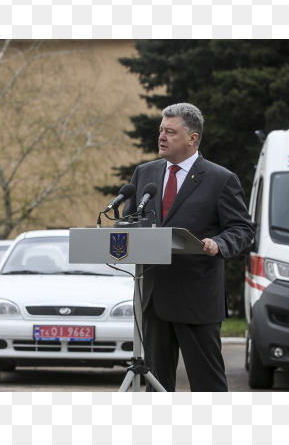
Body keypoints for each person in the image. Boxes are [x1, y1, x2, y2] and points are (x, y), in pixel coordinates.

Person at [121, 103, 254, 392]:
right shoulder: (145, 174)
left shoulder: (220, 179)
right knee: (157, 385)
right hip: (154, 298)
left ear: (192, 138)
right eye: (161, 130)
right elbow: (129, 220)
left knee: (207, 385)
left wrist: (219, 243)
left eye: (170, 131)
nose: (162, 137)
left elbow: (243, 229)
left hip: (197, 299)